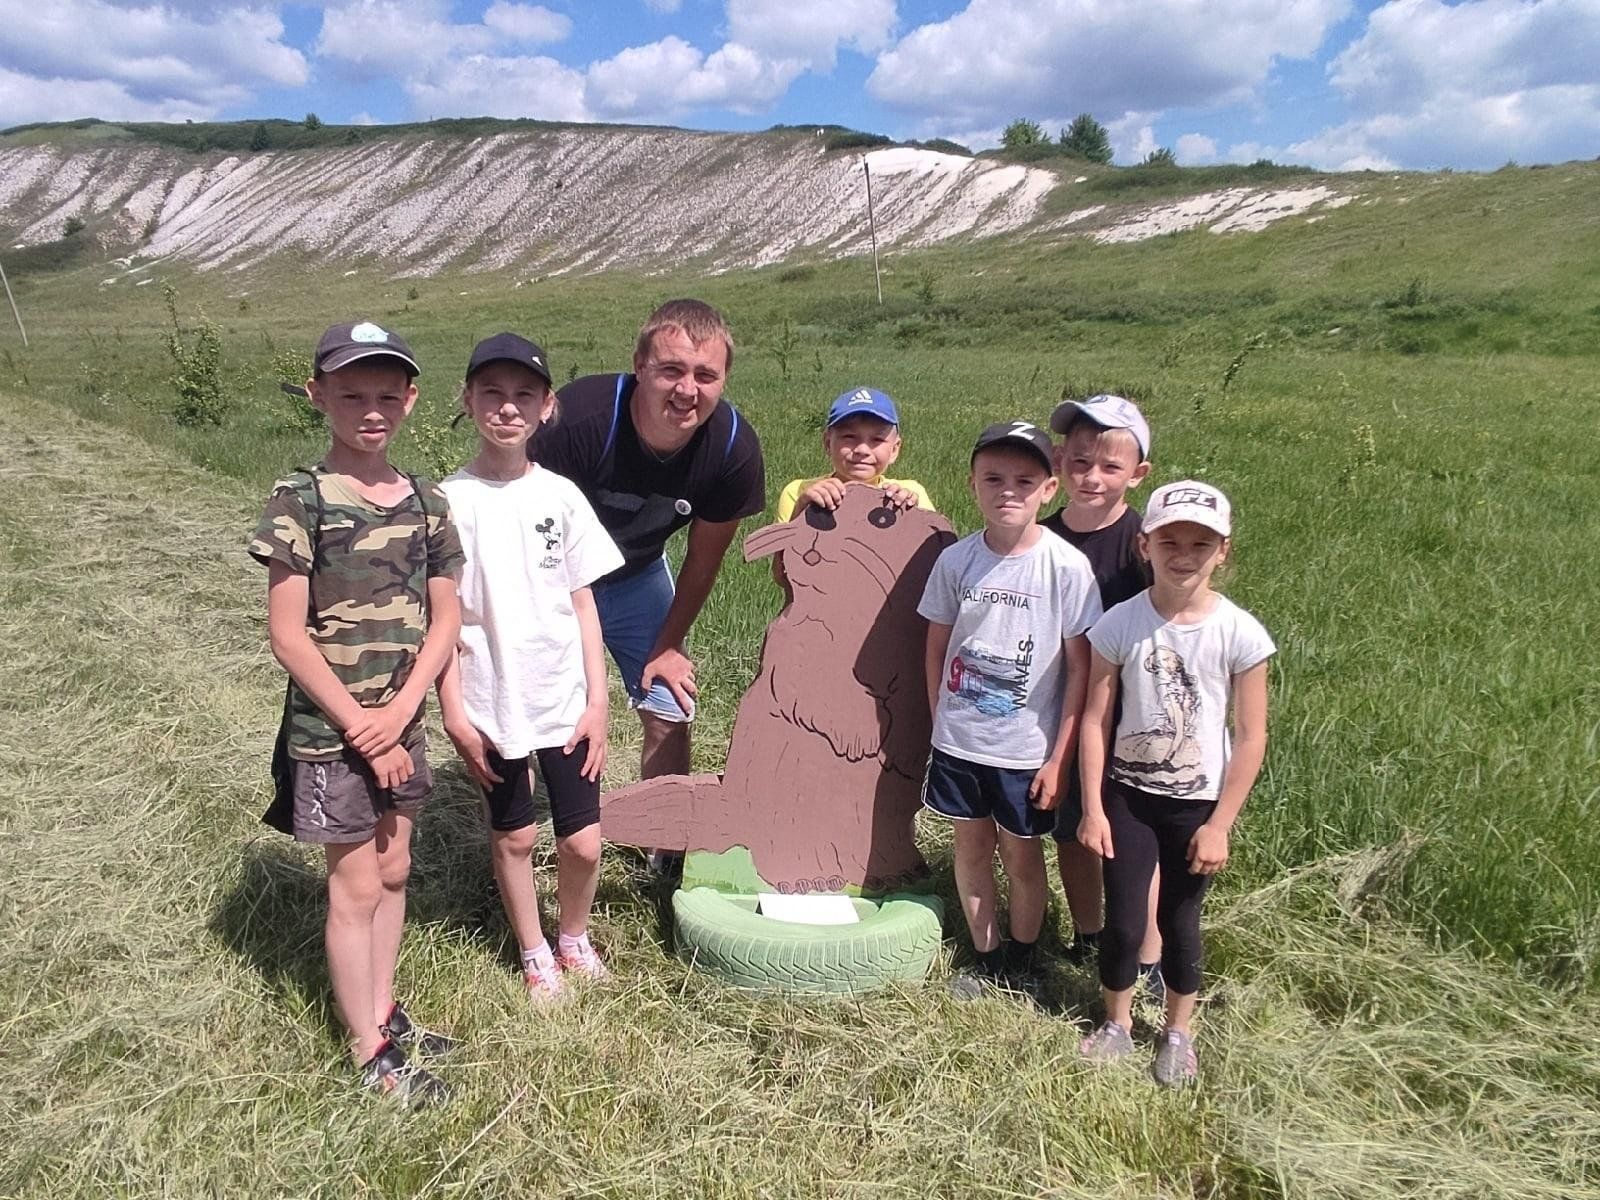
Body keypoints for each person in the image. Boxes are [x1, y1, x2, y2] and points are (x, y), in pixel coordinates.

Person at [249, 321, 463, 1106]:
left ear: (410, 400)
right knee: (355, 885)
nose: (370, 409)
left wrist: (403, 710)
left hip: (401, 724)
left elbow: (446, 619)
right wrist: (361, 726)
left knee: (396, 868)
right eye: (350, 394)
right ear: (318, 397)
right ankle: (368, 1050)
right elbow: (287, 633)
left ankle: (383, 1007)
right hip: (331, 733)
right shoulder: (300, 498)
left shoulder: (429, 501)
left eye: (385, 394)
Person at [438, 334, 623, 1001]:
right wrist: (455, 713)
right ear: (468, 401)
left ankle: (573, 934)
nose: (507, 408)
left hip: (564, 698)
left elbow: (584, 603)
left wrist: (598, 701)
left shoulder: (563, 497)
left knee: (584, 843)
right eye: (492, 393)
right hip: (491, 700)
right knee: (514, 835)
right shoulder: (446, 503)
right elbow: (444, 622)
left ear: (547, 408)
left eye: (523, 395)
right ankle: (534, 949)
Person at [1076, 481, 1274, 1087]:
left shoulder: (1240, 634)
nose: (1183, 553)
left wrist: (1220, 825)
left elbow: (1250, 736)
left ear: (1223, 552)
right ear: (1145, 545)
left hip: (1197, 806)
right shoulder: (1119, 625)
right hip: (1127, 799)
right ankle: (1117, 1023)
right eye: (1170, 540)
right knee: (1126, 921)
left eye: (1200, 542)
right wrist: (1092, 806)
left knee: (1182, 919)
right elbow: (1094, 718)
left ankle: (1178, 1031)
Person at [537, 301, 764, 807]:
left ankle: (663, 847)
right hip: (555, 578)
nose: (688, 390)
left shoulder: (732, 449)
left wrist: (668, 644)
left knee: (669, 703)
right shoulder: (581, 419)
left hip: (636, 575)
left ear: (724, 379)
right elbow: (515, 511)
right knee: (542, 708)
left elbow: (703, 561)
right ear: (640, 367)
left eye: (706, 375)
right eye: (671, 370)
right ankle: (553, 826)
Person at [917, 421, 1102, 998]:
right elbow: (936, 650)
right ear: (972, 485)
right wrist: (939, 725)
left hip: (1024, 752)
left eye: (1025, 480)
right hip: (958, 744)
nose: (1008, 491)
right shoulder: (956, 563)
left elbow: (1080, 670)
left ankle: (1025, 959)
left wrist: (1058, 758)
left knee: (1023, 858)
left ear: (1049, 489)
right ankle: (986, 954)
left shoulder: (1067, 568)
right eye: (993, 478)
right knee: (970, 850)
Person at [1040, 395, 1161, 994]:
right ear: (1059, 460)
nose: (1091, 477)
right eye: (1080, 462)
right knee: (1072, 827)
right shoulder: (1040, 539)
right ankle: (1088, 933)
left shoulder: (1148, 546)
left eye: (1110, 468)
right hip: (1062, 714)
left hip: (1133, 715)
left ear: (1137, 475)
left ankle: (1146, 950)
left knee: (1136, 831)